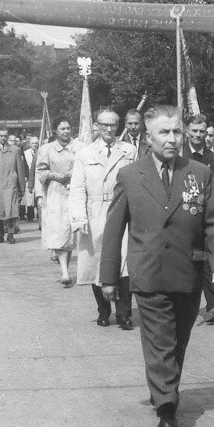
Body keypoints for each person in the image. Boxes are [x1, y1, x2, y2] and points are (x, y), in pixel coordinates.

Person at [99, 105, 214, 427]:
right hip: (149, 273)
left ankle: (166, 390)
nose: (172, 139)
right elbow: (114, 231)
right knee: (159, 341)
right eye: (164, 132)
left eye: (176, 132)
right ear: (148, 136)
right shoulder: (131, 175)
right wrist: (110, 277)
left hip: (188, 273)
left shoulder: (198, 172)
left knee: (178, 340)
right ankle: (167, 408)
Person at [69, 108, 137, 329]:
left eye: (113, 125)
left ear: (118, 127)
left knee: (124, 262)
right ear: (96, 126)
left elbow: (135, 185)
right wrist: (79, 217)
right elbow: (78, 189)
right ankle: (103, 310)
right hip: (95, 211)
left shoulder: (129, 150)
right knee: (96, 262)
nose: (109, 129)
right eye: (104, 125)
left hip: (122, 210)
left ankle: (124, 313)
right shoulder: (85, 154)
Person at [180, 112, 214, 323]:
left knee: (209, 257)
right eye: (194, 131)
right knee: (187, 260)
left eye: (202, 131)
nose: (199, 135)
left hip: (207, 217)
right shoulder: (179, 156)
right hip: (184, 216)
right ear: (187, 131)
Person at [36, 117, 82, 286]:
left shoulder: (79, 147)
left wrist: (72, 174)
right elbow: (40, 172)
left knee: (69, 232)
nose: (66, 131)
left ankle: (65, 269)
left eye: (68, 128)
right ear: (56, 131)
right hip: (55, 193)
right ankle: (64, 271)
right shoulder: (47, 149)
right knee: (58, 230)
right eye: (62, 128)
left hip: (74, 192)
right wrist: (55, 175)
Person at [0, 129, 26, 243]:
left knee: (11, 210)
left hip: (10, 184)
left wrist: (22, 187)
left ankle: (11, 234)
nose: (3, 138)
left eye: (5, 136)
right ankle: (0, 234)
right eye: (1, 136)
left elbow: (20, 169)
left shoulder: (15, 150)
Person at [21, 136, 39, 222]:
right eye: (33, 143)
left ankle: (39, 215)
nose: (34, 145)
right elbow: (24, 165)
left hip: (38, 177)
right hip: (29, 177)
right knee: (29, 197)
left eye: (36, 143)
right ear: (29, 144)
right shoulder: (25, 153)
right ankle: (30, 215)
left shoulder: (40, 153)